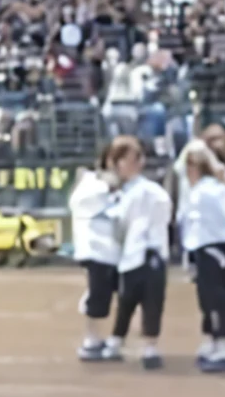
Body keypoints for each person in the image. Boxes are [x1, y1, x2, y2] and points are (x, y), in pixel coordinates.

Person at [176, 139, 225, 373]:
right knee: (207, 297)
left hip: (212, 247)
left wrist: (222, 234)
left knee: (216, 297)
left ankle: (222, 341)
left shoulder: (209, 191)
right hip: (203, 249)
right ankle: (212, 338)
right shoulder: (203, 190)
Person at [107, 134, 171, 371]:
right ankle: (117, 340)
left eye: (130, 159)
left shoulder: (148, 191)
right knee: (127, 300)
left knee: (151, 301)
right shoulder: (125, 193)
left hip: (150, 252)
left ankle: (149, 346)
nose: (125, 165)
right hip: (132, 255)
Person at [67, 146, 123, 362]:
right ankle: (92, 339)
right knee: (98, 294)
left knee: (126, 295)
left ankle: (116, 338)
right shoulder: (90, 182)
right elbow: (79, 202)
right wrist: (106, 185)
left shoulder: (126, 186)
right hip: (95, 249)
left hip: (118, 250)